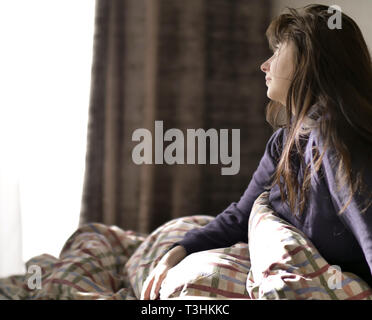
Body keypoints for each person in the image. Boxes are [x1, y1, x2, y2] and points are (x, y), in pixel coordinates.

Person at [141, 4, 372, 300]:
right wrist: (177, 252)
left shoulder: (336, 138)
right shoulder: (283, 142)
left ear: (308, 59)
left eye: (277, 52)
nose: (265, 65)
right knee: (168, 239)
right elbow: (241, 215)